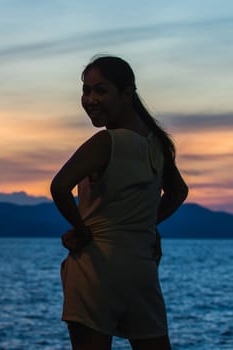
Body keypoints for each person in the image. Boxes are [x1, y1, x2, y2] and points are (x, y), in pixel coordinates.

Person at [50, 56, 188, 350]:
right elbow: (178, 193)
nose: (90, 99)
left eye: (100, 90)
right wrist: (145, 225)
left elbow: (59, 187)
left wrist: (81, 229)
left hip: (95, 271)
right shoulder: (157, 144)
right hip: (140, 272)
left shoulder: (105, 143)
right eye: (86, 91)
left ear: (127, 94)